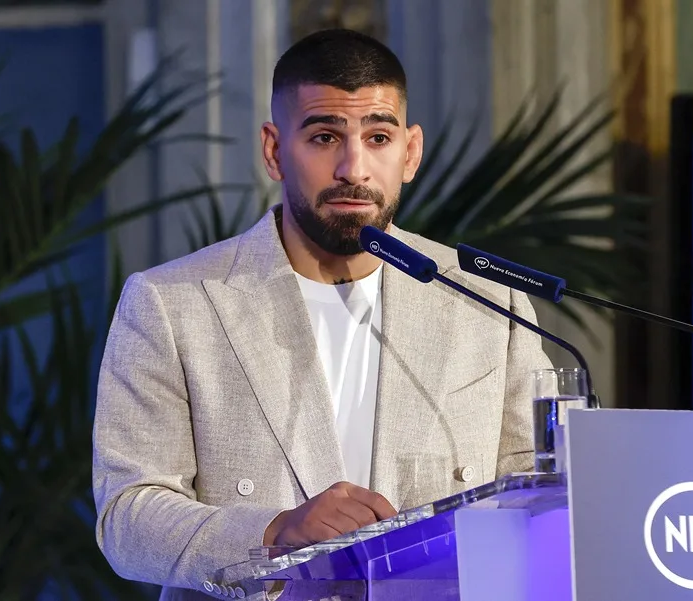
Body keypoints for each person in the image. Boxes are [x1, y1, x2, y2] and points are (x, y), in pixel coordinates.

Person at [92, 28, 553, 600]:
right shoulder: (173, 303)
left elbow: (542, 493)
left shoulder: (485, 300)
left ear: (410, 153)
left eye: (378, 137)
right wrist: (273, 533)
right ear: (273, 150)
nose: (353, 168)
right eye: (324, 136)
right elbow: (127, 518)